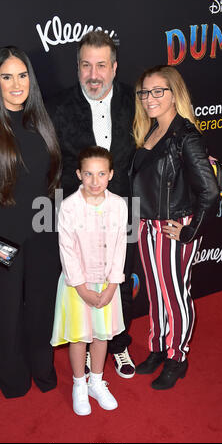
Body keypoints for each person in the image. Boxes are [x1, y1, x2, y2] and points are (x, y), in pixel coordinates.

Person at [0, 46, 61, 398]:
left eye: (22, 75)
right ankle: (14, 381)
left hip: (44, 234)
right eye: (7, 76)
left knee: (41, 310)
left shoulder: (42, 121)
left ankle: (43, 370)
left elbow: (54, 181)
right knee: (5, 316)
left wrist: (58, 230)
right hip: (3, 239)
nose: (16, 83)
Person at [47, 31, 136, 379]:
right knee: (80, 277)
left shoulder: (135, 99)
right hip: (76, 208)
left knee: (120, 277)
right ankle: (83, 346)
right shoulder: (57, 106)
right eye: (86, 65)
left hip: (123, 204)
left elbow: (161, 133)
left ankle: (118, 343)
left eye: (101, 65)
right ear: (78, 68)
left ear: (114, 68)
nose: (94, 74)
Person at [130, 65, 219, 390]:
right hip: (147, 225)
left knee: (175, 295)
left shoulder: (185, 136)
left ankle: (177, 357)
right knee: (155, 294)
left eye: (158, 91)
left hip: (174, 226)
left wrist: (189, 231)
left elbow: (210, 191)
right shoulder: (149, 131)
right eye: (145, 92)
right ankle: (158, 348)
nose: (149, 98)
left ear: (173, 94)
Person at [51, 146, 127, 415]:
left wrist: (112, 286)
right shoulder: (70, 207)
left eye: (101, 174)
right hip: (76, 286)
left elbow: (120, 247)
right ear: (79, 174)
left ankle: (96, 381)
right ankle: (79, 384)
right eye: (89, 174)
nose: (95, 181)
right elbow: (67, 250)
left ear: (111, 175)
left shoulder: (119, 205)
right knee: (79, 336)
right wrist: (82, 288)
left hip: (107, 284)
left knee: (101, 334)